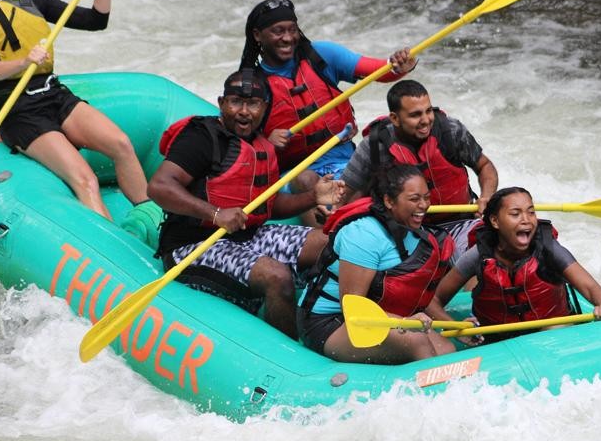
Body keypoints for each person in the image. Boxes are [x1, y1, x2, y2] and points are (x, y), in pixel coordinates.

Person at [0, 0, 158, 235]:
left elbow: (96, 20)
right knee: (85, 180)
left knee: (121, 144)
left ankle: (154, 222)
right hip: (18, 108)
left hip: (53, 95)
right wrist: (25, 61)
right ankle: (112, 246)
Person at [148, 70, 346, 339]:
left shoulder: (261, 145)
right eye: (235, 102)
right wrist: (215, 214)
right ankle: (288, 357)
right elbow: (159, 186)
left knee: (334, 242)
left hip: (248, 236)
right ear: (221, 103)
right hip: (193, 246)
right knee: (277, 277)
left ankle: (329, 329)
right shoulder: (202, 137)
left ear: (264, 108)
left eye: (253, 104)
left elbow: (269, 206)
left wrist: (313, 197)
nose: (244, 111)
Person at [238, 0, 418, 226]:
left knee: (379, 176)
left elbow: (379, 70)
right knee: (305, 180)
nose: (287, 38)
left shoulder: (322, 55)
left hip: (343, 158)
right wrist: (266, 141)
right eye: (278, 31)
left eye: (292, 30)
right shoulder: (250, 84)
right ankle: (323, 246)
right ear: (257, 35)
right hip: (295, 171)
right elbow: (238, 145)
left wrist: (398, 66)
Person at [298, 164, 459, 363]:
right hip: (330, 321)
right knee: (417, 342)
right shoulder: (363, 234)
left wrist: (454, 326)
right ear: (389, 201)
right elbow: (353, 310)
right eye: (414, 199)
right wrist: (405, 322)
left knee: (446, 349)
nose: (424, 205)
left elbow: (415, 295)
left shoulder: (413, 230)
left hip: (381, 316)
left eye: (426, 197)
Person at [433, 186, 601, 343]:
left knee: (554, 328)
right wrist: (456, 328)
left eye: (531, 212)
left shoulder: (549, 249)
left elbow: (591, 288)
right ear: (495, 221)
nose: (526, 219)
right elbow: (433, 301)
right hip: (496, 340)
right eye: (515, 214)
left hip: (552, 332)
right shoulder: (478, 255)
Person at [340, 79, 498, 258]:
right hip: (402, 231)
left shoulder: (451, 131)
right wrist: (332, 213)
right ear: (394, 118)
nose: (426, 121)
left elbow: (485, 166)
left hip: (460, 222)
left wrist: (487, 197)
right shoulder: (374, 146)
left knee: (479, 252)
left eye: (428, 111)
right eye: (415, 115)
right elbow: (346, 194)